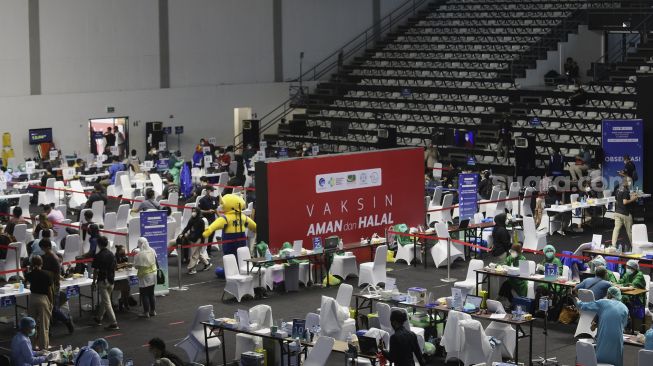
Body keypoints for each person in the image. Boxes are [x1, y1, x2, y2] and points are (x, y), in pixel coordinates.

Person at [577, 287, 628, 366]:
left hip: (604, 337)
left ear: (608, 295)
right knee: (617, 359)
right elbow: (623, 325)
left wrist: (578, 302)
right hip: (618, 338)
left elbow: (586, 306)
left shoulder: (603, 303)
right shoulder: (625, 308)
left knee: (601, 359)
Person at [40, 239, 74, 334]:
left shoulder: (53, 258)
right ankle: (48, 330)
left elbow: (56, 274)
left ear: (46, 247)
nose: (42, 249)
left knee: (54, 309)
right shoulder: (46, 256)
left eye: (42, 248)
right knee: (47, 308)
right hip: (47, 285)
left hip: (53, 286)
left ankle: (67, 321)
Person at [90, 236, 119, 330]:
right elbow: (115, 266)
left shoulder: (98, 256)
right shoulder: (111, 254)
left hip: (102, 281)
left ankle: (114, 322)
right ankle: (99, 318)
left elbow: (95, 271)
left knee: (107, 302)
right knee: (105, 300)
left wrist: (94, 282)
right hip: (111, 280)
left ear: (99, 244)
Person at [25, 256, 53, 350]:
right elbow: (49, 291)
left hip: (32, 298)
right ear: (42, 263)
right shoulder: (47, 274)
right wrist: (51, 302)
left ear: (32, 264)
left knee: (31, 325)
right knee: (44, 326)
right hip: (43, 299)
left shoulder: (29, 274)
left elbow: (26, 283)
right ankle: (43, 348)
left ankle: (31, 347)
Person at [181, 207, 210, 274]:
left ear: (198, 212)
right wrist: (182, 233)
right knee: (197, 253)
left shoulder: (201, 221)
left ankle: (192, 269)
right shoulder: (192, 219)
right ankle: (207, 264)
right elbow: (187, 227)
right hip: (192, 238)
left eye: (194, 211)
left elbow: (201, 232)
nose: (193, 213)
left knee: (194, 254)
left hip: (198, 239)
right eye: (192, 211)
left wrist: (193, 238)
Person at [134, 237, 157, 318]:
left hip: (144, 276)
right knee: (151, 293)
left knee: (144, 294)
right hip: (154, 273)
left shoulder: (139, 254)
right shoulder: (152, 250)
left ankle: (146, 312)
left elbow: (136, 267)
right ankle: (153, 311)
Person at [611, 177, 637, 250]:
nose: (630, 183)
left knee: (616, 229)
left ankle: (613, 245)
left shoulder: (618, 189)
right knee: (630, 231)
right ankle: (634, 246)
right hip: (625, 213)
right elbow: (625, 202)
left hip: (617, 212)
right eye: (629, 181)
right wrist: (633, 199)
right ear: (626, 182)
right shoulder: (625, 190)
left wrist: (630, 196)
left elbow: (617, 199)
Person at [113, 245, 132, 312]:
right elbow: (115, 266)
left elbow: (126, 265)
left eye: (124, 250)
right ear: (119, 251)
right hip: (115, 278)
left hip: (122, 276)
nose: (124, 251)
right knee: (125, 287)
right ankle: (123, 302)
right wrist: (124, 264)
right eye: (123, 250)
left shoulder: (124, 257)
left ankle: (123, 301)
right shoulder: (114, 257)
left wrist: (127, 265)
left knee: (127, 288)